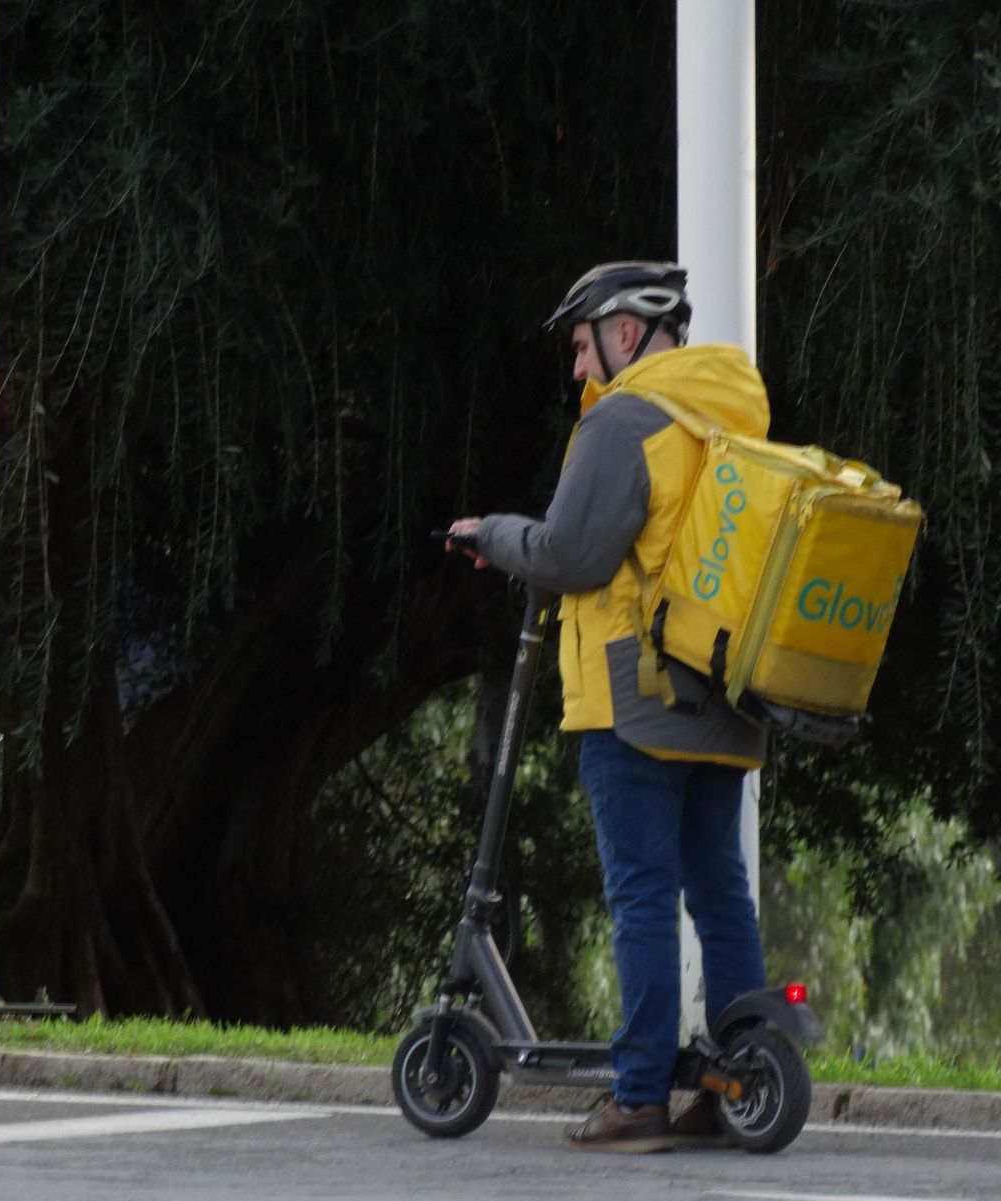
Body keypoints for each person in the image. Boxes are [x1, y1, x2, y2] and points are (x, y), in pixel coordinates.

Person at [448, 261, 772, 1153]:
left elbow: (572, 554)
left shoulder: (624, 418)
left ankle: (637, 1099)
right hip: (723, 690)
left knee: (640, 897)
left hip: (633, 697)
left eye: (583, 343)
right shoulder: (731, 413)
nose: (578, 366)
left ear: (625, 334)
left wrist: (493, 535)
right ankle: (741, 1078)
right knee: (718, 889)